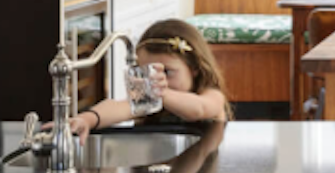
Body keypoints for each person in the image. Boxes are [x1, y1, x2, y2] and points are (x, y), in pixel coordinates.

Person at [66, 18, 231, 139]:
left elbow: (199, 109)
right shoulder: (150, 101)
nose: (157, 79)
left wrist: (161, 92)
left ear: (194, 68)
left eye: (167, 72)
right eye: (148, 72)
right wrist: (86, 119)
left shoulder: (212, 95)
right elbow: (118, 107)